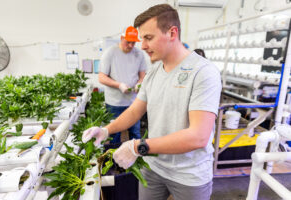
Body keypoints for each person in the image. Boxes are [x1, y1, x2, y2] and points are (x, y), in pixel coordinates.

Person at [83, 4, 221, 200]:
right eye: (142, 39)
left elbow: (198, 136)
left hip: (190, 175)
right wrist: (107, 130)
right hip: (154, 168)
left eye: (148, 38)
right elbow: (134, 111)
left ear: (172, 33)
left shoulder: (203, 72)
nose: (143, 46)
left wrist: (138, 146)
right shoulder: (153, 72)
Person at [97, 26, 147, 144]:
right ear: (121, 38)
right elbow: (101, 77)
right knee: (114, 135)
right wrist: (119, 85)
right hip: (114, 103)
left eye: (133, 43)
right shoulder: (110, 53)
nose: (130, 45)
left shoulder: (139, 54)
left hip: (134, 103)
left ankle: (135, 160)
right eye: (128, 42)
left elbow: (143, 76)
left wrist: (139, 84)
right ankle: (113, 161)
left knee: (135, 135)